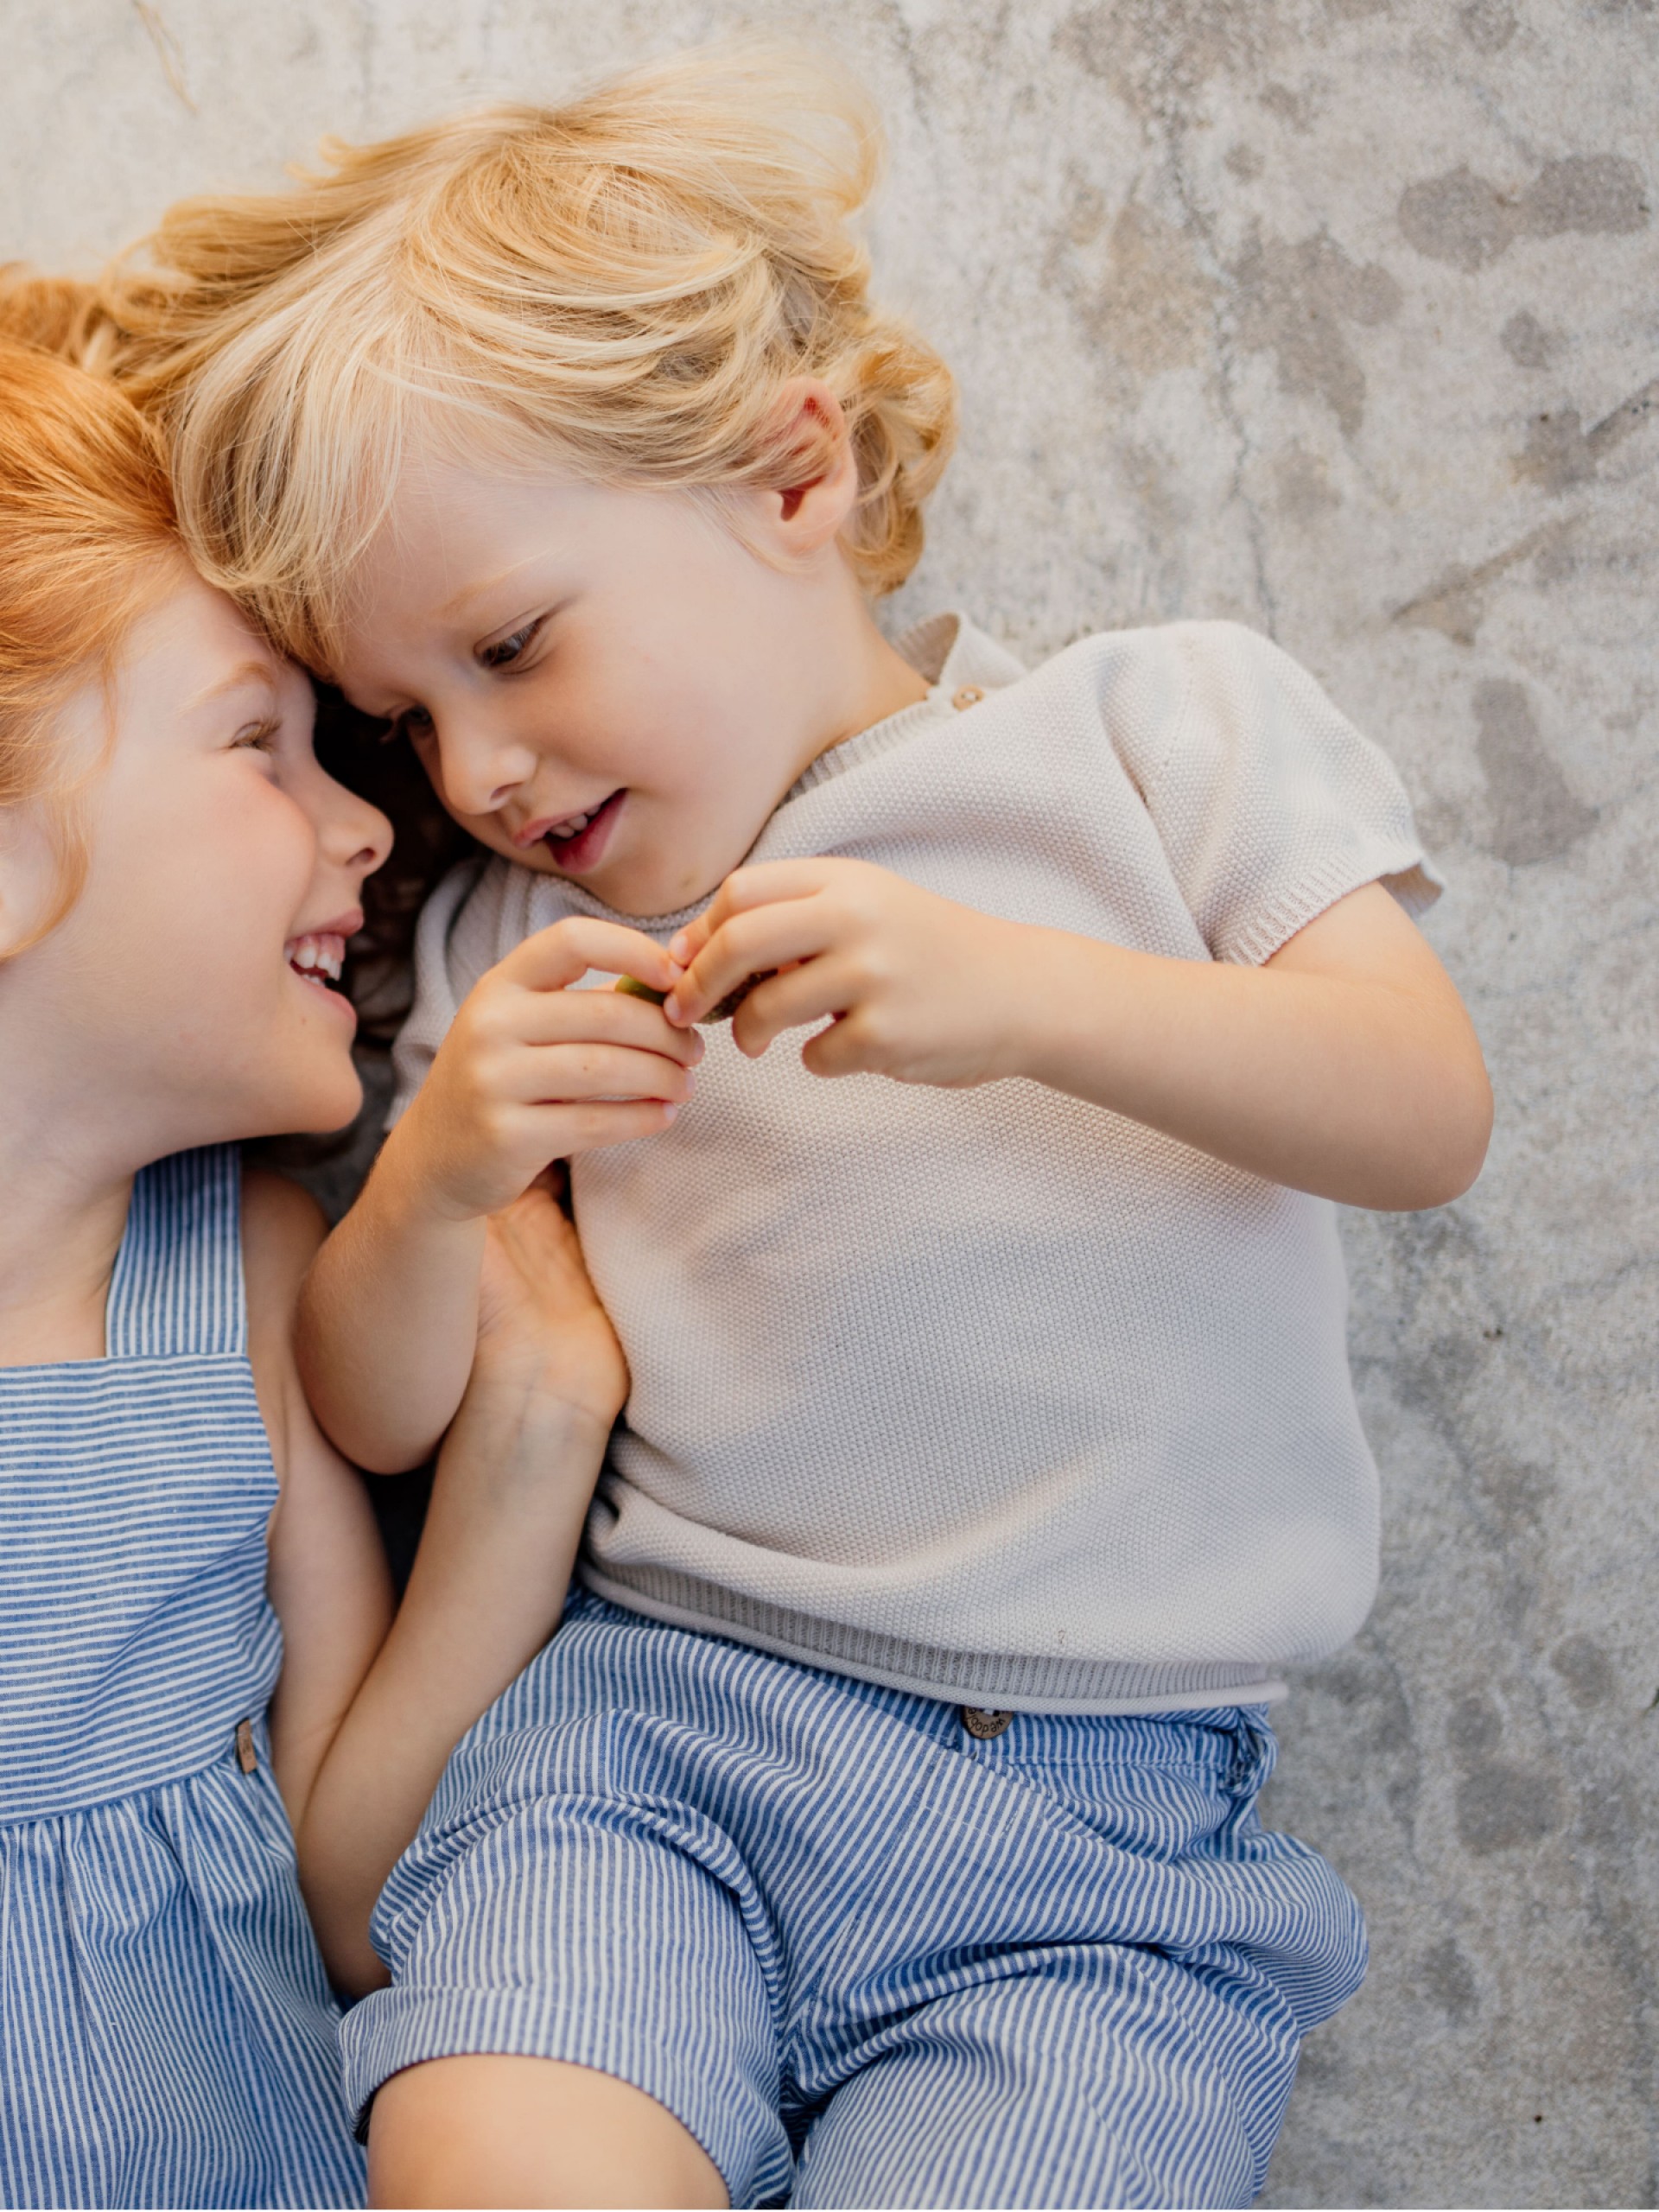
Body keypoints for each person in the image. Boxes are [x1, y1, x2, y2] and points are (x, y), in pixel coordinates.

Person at [91, 46, 1493, 2209]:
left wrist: (1031, 992)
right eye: (414, 713)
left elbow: (1421, 1114)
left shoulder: (1151, 734)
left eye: (513, 647)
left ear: (788, 472)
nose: (473, 765)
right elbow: (372, 1410)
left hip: (1098, 1847)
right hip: (652, 1748)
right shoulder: (517, 937)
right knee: (492, 2148)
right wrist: (449, 1168)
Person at [0, 332, 627, 2210]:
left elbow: (355, 1890)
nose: (367, 820)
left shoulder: (248, 1272)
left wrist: (533, 1419)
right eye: (256, 743)